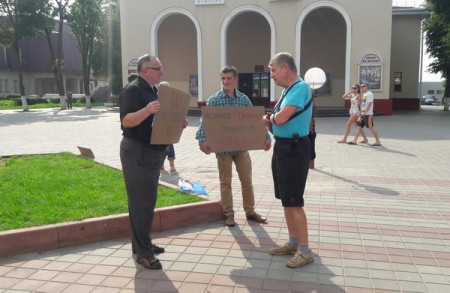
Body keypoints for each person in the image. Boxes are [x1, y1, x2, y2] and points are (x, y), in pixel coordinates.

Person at [119, 54, 187, 270]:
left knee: (145, 202)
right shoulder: (133, 90)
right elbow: (126, 121)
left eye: (161, 68)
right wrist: (147, 110)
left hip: (152, 152)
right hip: (137, 152)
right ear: (145, 70)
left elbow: (157, 120)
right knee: (142, 204)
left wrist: (177, 122)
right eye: (158, 68)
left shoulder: (154, 90)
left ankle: (141, 245)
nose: (162, 72)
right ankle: (144, 253)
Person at [195, 65, 271, 227]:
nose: (225, 81)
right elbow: (205, 121)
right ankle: (228, 214)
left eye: (229, 78)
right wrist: (201, 140)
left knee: (247, 180)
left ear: (235, 79)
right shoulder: (214, 99)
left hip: (241, 148)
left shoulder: (243, 99)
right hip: (223, 149)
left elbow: (255, 120)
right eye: (223, 78)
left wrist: (265, 137)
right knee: (225, 182)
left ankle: (250, 212)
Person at [263, 52, 314, 268]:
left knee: (294, 201)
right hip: (283, 147)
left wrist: (269, 118)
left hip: (294, 149)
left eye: (273, 70)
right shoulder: (288, 90)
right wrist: (271, 120)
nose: (272, 75)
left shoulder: (300, 87)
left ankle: (305, 250)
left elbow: (281, 117)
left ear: (286, 68)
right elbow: (279, 120)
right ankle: (293, 242)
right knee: (286, 199)